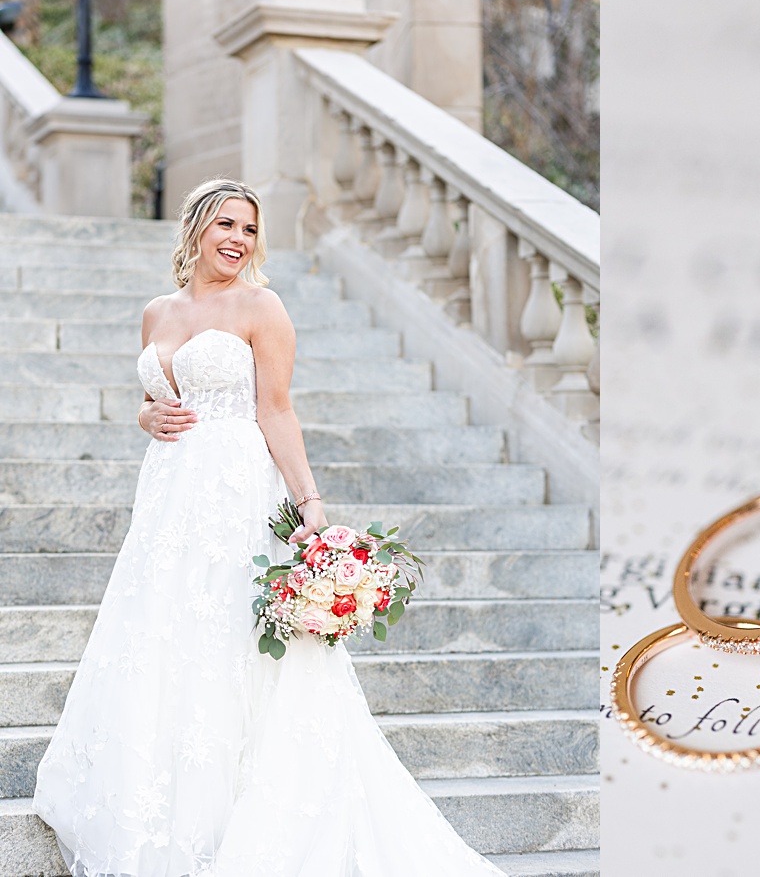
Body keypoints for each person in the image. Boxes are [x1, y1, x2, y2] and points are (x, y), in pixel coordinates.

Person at [32, 178, 505, 876]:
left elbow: (276, 409)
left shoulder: (263, 306)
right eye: (225, 223)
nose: (237, 239)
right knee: (166, 635)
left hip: (234, 487)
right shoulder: (156, 311)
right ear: (195, 227)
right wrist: (145, 416)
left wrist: (309, 503)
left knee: (230, 632)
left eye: (249, 229)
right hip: (167, 495)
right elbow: (154, 396)